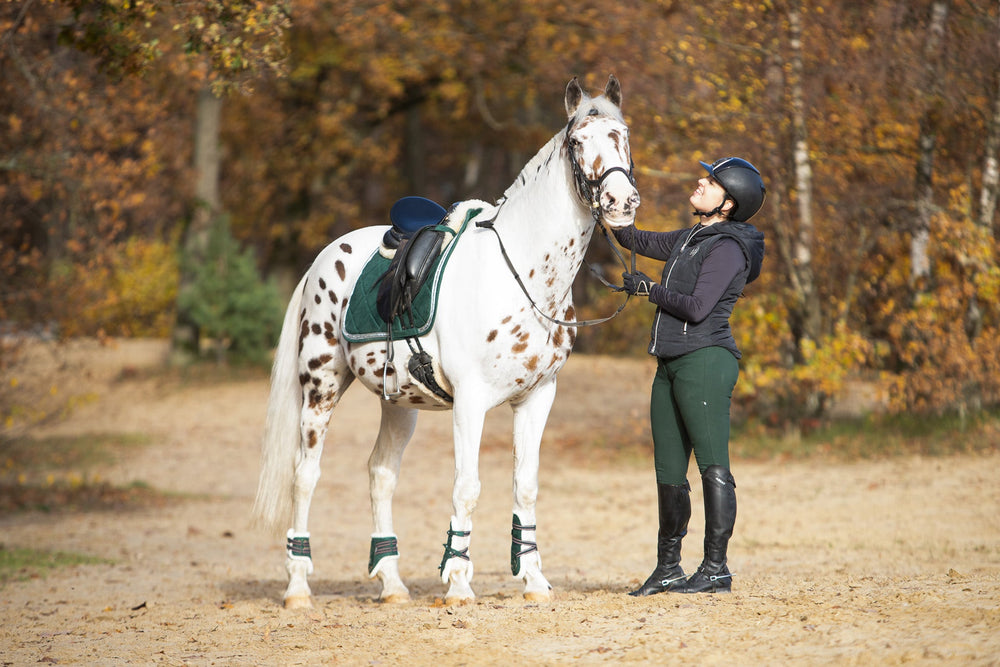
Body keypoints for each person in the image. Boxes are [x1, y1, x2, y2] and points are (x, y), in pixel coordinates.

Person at [615, 157, 766, 595]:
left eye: (712, 180)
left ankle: (716, 568)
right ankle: (668, 567)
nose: (700, 182)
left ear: (728, 202)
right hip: (669, 361)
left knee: (712, 466)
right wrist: (615, 196)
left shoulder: (727, 247)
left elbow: (698, 308)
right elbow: (634, 238)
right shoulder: (690, 237)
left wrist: (649, 290)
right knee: (668, 470)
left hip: (705, 361)